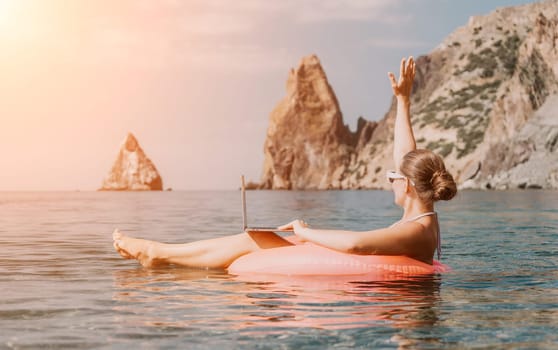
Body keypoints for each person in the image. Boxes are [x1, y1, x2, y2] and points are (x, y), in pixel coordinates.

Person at [113, 56, 457, 269]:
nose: (390, 179)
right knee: (254, 238)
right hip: (368, 273)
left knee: (252, 244)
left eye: (393, 176)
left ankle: (158, 253)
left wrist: (305, 232)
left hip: (380, 297)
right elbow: (405, 157)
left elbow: (357, 245)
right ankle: (159, 252)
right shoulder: (423, 214)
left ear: (410, 185)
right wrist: (403, 102)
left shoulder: (416, 230)